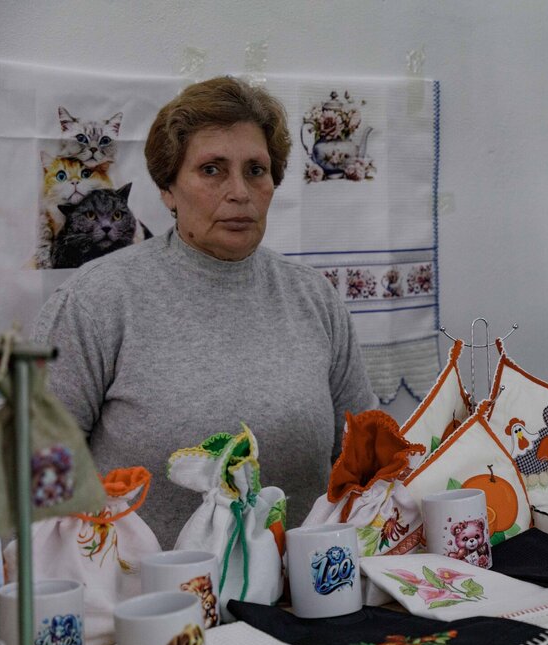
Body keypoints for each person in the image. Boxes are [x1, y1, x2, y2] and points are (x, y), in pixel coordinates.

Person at [32, 77, 377, 547]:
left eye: (256, 170)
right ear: (168, 189)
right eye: (212, 169)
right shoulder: (96, 301)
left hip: (304, 586)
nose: (239, 192)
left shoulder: (313, 298)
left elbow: (365, 462)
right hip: (144, 589)